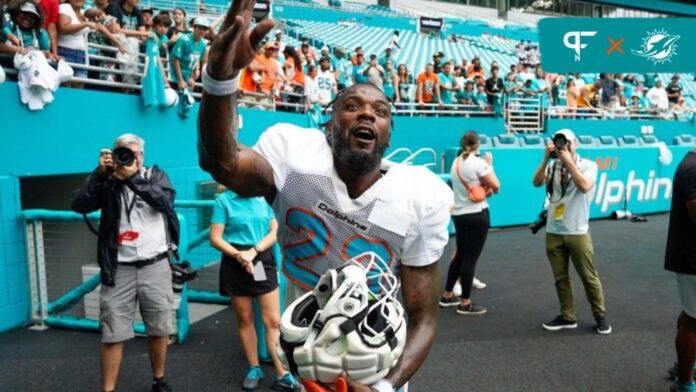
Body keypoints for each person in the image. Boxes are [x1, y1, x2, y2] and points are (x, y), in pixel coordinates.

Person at [197, 2, 453, 391]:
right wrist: (220, 80)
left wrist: (385, 387)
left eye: (380, 111)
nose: (366, 114)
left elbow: (425, 318)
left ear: (388, 135)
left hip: (376, 366)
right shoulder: (296, 157)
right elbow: (223, 163)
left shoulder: (419, 195)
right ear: (330, 124)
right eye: (352, 106)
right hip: (309, 360)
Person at [70, 134, 179, 392]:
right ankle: (108, 389)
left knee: (159, 328)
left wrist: (133, 179)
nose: (127, 157)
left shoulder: (155, 176)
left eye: (132, 152)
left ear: (141, 155)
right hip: (119, 268)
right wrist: (98, 174)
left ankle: (159, 379)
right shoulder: (107, 180)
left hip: (155, 265)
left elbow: (164, 202)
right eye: (122, 152)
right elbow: (79, 204)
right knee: (113, 333)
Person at [208, 187, 301, 391]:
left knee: (273, 321)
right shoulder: (224, 201)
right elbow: (215, 238)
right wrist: (240, 256)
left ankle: (283, 374)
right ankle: (254, 368)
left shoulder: (263, 199)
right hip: (235, 262)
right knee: (245, 318)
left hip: (259, 262)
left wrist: (253, 252)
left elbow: (274, 231)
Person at [532, 129, 611, 335]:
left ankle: (600, 316)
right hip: (554, 230)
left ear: (575, 143)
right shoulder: (553, 165)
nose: (564, 147)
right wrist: (545, 159)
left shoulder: (589, 165)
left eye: (568, 143)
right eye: (560, 143)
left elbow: (585, 186)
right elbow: (536, 182)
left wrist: (569, 164)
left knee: (588, 276)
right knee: (560, 277)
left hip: (578, 231)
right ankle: (568, 316)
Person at [440, 131, 499, 314]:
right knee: (470, 258)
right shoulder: (479, 163)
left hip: (459, 214)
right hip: (476, 214)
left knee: (460, 255)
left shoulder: (455, 162)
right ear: (477, 145)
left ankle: (447, 295)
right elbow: (496, 186)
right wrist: (490, 166)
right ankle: (465, 302)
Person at [665, 148, 696, 392]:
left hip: (689, 257)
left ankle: (684, 367)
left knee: (690, 314)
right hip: (692, 260)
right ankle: (685, 382)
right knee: (693, 321)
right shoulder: (693, 169)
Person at [57, 0, 93, 88]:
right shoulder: (64, 7)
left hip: (81, 56)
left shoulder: (84, 12)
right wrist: (85, 24)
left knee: (79, 91)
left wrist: (117, 42)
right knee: (66, 89)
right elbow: (63, 28)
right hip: (65, 53)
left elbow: (99, 27)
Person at [169, 17, 209, 92]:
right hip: (174, 77)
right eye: (200, 28)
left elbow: (195, 62)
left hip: (187, 78)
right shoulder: (184, 40)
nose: (202, 31)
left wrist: (192, 78)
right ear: (194, 27)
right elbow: (175, 60)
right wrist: (180, 80)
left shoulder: (203, 44)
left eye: (204, 29)